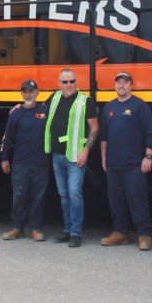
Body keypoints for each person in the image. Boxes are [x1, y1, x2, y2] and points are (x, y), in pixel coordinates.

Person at [99, 72, 152, 251]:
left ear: (131, 85)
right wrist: (103, 157)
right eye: (118, 83)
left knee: (137, 199)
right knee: (116, 200)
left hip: (134, 163)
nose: (121, 86)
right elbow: (104, 136)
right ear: (115, 85)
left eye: (125, 82)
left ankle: (144, 234)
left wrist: (148, 157)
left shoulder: (140, 106)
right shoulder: (109, 107)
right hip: (113, 164)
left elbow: (150, 132)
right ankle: (120, 232)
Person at [45, 68, 99, 248]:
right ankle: (67, 230)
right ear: (59, 83)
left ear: (76, 82)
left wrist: (86, 150)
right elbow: (36, 109)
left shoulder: (86, 101)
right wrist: (20, 106)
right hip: (57, 155)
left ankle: (76, 233)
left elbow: (95, 128)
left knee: (74, 193)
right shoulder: (54, 98)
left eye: (72, 81)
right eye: (65, 82)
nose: (69, 85)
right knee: (63, 195)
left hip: (76, 156)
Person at [0, 79, 50, 242]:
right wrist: (4, 157)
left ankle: (35, 228)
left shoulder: (46, 110)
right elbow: (8, 138)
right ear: (21, 93)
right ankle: (17, 227)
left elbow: (62, 96)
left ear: (37, 92)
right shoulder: (16, 113)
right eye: (25, 91)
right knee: (19, 196)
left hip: (41, 162)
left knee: (38, 197)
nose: (28, 94)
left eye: (31, 91)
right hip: (20, 162)